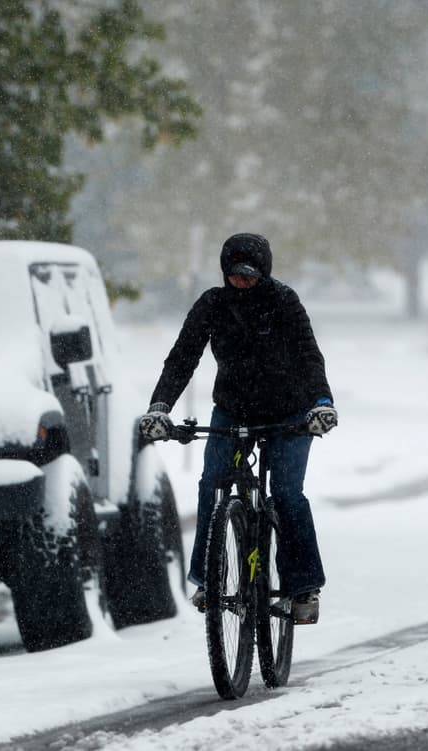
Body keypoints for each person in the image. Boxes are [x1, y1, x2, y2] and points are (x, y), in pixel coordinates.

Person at [137, 232, 338, 625]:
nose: (241, 282)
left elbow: (309, 356)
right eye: (235, 275)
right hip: (233, 410)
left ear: (264, 272)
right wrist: (160, 407)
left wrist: (322, 404)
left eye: (249, 275)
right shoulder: (212, 304)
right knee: (212, 483)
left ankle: (303, 588)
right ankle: (208, 580)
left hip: (289, 415)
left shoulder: (284, 302)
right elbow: (182, 358)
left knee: (284, 494)